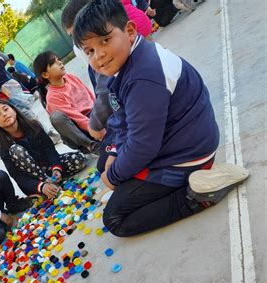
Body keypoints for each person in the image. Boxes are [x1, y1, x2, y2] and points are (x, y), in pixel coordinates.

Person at [72, 0, 249, 237]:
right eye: (90, 51)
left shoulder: (143, 78)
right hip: (175, 141)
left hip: (187, 155)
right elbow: (124, 121)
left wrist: (114, 175)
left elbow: (143, 146)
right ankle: (144, 180)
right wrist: (115, 154)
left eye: (105, 40)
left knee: (115, 218)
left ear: (130, 30)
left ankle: (196, 197)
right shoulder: (125, 65)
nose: (99, 55)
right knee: (107, 159)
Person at [0, 99, 86, 198]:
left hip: (48, 168)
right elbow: (17, 175)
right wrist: (40, 186)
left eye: (5, 109)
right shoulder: (4, 146)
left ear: (14, 111)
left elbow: (50, 150)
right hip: (34, 181)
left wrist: (56, 169)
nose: (4, 114)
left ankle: (54, 181)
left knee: (78, 159)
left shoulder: (33, 126)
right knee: (16, 150)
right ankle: (47, 186)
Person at [62, 0, 115, 173]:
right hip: (111, 123)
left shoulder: (109, 61)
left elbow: (105, 93)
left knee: (111, 172)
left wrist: (97, 124)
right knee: (104, 166)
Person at [33, 51, 100, 155]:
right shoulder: (52, 97)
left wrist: (102, 117)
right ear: (45, 74)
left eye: (58, 59)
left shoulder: (71, 78)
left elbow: (92, 98)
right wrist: (97, 129)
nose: (60, 62)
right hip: (80, 130)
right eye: (54, 62)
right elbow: (77, 117)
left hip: (93, 118)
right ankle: (91, 146)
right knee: (56, 117)